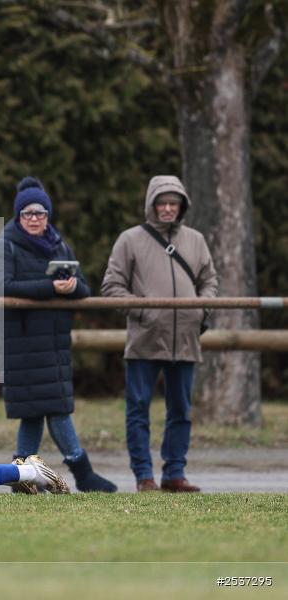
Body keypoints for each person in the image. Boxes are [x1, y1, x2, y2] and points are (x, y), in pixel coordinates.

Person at [0, 176, 117, 493]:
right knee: (54, 409)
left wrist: (71, 288)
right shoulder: (6, 245)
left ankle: (20, 476)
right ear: (19, 215)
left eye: (40, 213)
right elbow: (1, 287)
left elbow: (84, 288)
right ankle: (82, 472)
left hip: (54, 344)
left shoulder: (59, 244)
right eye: (28, 213)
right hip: (21, 343)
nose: (34, 219)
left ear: (48, 215)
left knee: (35, 413)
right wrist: (51, 287)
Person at [101, 175, 217, 493]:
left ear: (181, 206)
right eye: (162, 203)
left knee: (181, 411)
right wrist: (145, 313)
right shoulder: (129, 240)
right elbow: (112, 286)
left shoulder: (196, 240)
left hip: (185, 340)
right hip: (145, 340)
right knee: (138, 409)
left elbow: (209, 281)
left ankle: (174, 474)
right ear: (151, 205)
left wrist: (201, 309)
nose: (167, 208)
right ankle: (144, 476)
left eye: (173, 203)